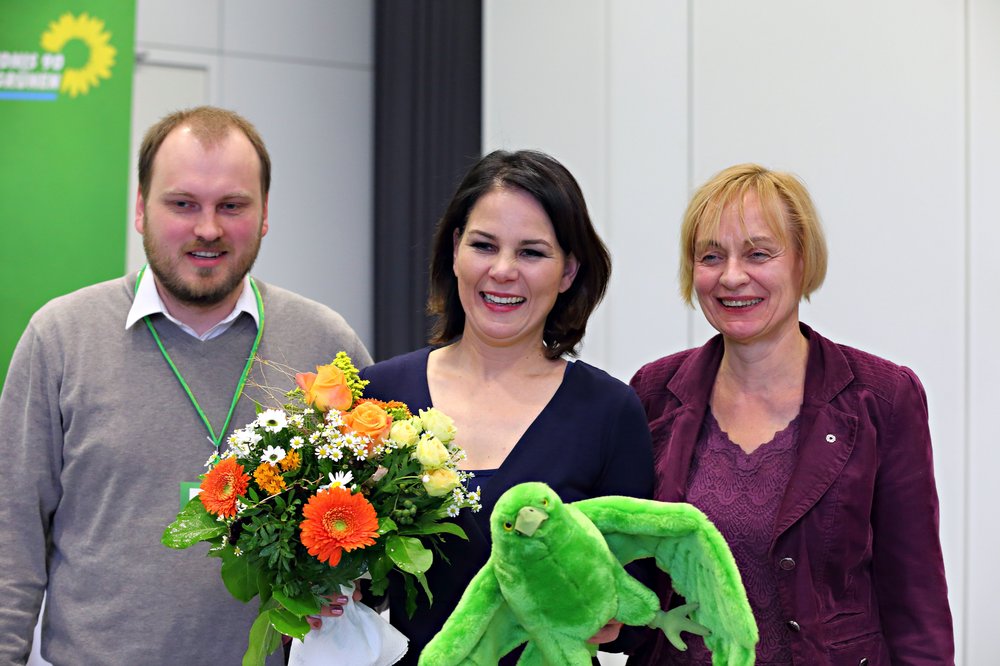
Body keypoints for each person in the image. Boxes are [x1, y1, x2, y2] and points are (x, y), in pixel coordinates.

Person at [0, 106, 371, 665]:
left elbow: (379, 525)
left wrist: (354, 583)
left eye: (232, 205)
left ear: (265, 214)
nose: (207, 228)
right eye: (182, 204)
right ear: (140, 210)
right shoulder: (60, 338)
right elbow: (11, 538)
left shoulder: (325, 344)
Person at [627, 163, 954, 665]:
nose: (733, 276)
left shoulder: (882, 398)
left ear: (803, 262)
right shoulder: (653, 393)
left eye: (759, 253)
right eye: (711, 256)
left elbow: (916, 605)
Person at [359, 149, 655, 664]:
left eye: (532, 253)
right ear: (455, 251)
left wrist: (603, 611)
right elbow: (353, 578)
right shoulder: (379, 396)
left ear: (569, 272)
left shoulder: (609, 413)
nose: (502, 271)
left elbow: (636, 610)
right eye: (484, 245)